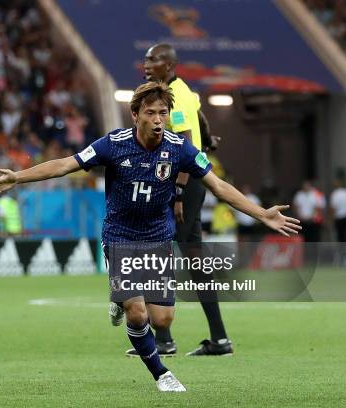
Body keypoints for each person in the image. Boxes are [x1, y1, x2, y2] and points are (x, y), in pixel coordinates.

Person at [0, 82, 301, 392]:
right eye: (150, 112)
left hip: (157, 237)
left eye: (163, 112)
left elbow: (218, 187)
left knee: (162, 319)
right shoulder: (113, 144)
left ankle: (120, 298)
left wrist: (261, 214)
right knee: (138, 312)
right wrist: (18, 178)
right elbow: (67, 164)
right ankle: (161, 374)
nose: (158, 119)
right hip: (120, 236)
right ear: (136, 115)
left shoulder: (179, 149)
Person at [120, 42, 231, 358]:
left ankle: (177, 339)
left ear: (168, 65)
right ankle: (206, 338)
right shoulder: (179, 92)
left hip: (184, 182)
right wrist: (209, 140)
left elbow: (186, 140)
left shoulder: (176, 93)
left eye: (152, 59)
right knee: (179, 252)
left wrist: (180, 192)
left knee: (183, 252)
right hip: (179, 180)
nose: (145, 63)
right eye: (145, 58)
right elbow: (200, 118)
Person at [329, 178, 346, 242]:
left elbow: (333, 208)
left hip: (338, 217)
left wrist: (331, 219)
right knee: (345, 234)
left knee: (339, 235)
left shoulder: (335, 194)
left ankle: (341, 250)